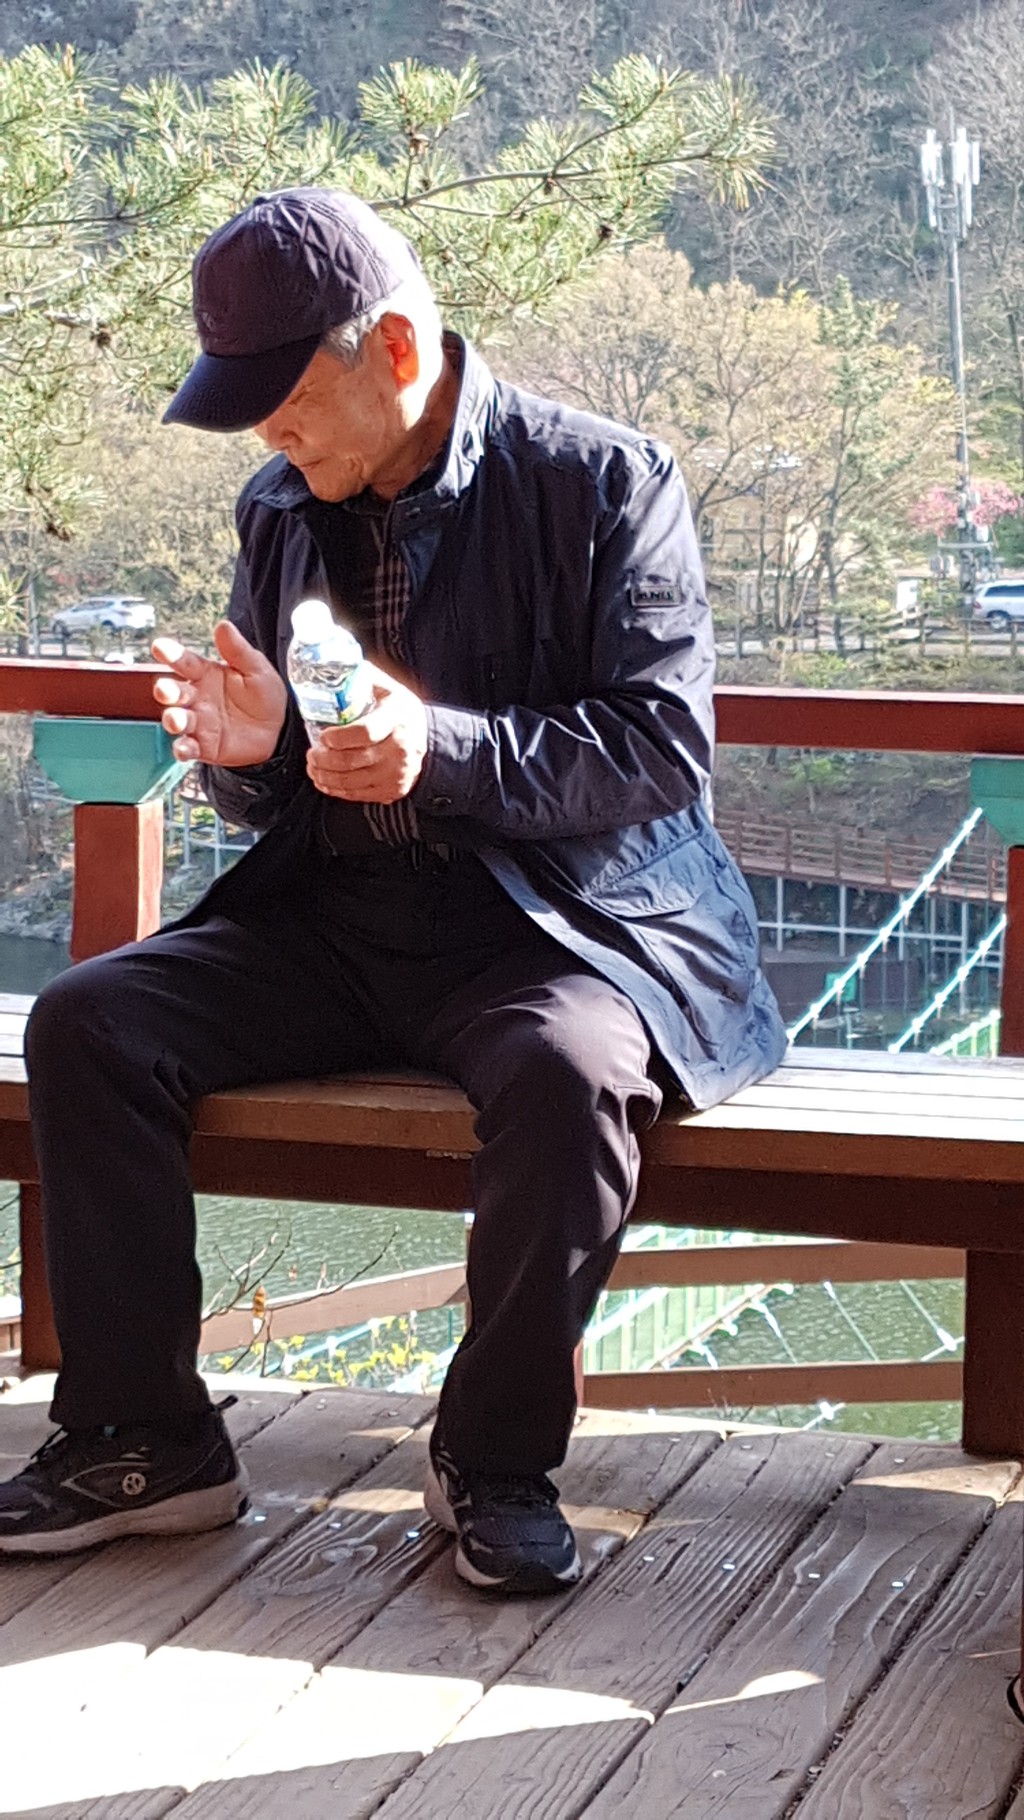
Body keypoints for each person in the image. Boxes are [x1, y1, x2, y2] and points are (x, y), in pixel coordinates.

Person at [0, 188, 786, 1590]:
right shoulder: (278, 508)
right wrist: (252, 757)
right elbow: (287, 780)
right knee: (90, 1022)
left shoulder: (607, 482)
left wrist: (443, 748)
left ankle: (492, 1459)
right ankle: (143, 1440)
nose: (271, 440)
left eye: (289, 404)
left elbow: (661, 749)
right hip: (339, 919)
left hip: (560, 929)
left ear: (399, 353)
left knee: (570, 1077)